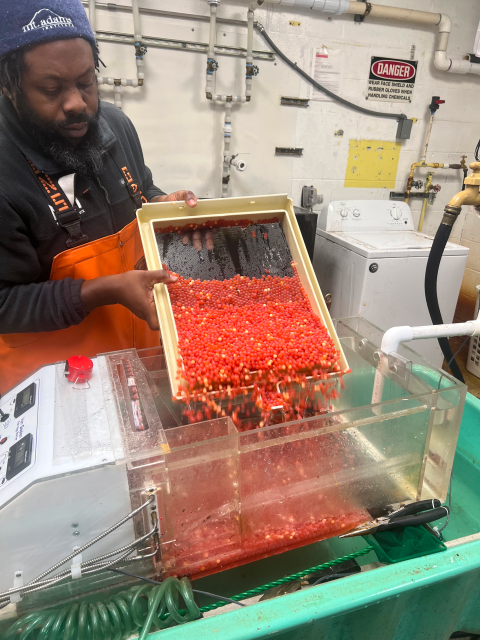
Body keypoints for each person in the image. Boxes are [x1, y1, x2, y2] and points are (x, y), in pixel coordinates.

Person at [0, 0, 198, 393]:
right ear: (9, 87)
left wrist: (160, 208)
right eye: (52, 90)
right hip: (52, 381)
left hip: (137, 363)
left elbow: (141, 190)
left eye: (87, 82)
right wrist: (103, 291)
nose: (76, 103)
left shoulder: (115, 125)